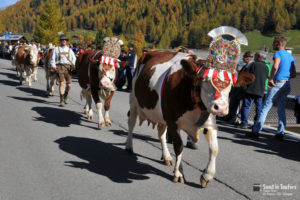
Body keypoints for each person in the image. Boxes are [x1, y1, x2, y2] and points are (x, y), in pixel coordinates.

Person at [251, 36, 295, 140]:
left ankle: (256, 131)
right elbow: (293, 73)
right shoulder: (290, 56)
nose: (272, 45)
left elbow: (275, 66)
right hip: (286, 84)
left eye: (274, 43)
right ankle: (280, 132)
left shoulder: (278, 53)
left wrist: (271, 79)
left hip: (277, 83)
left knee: (266, 107)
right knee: (281, 109)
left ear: (279, 43)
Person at [238, 51, 269, 130]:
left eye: (255, 56)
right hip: (260, 90)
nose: (253, 57)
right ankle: (256, 124)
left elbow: (247, 76)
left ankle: (244, 123)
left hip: (250, 89)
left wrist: (245, 86)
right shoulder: (266, 67)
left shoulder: (253, 65)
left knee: (246, 106)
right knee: (259, 108)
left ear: (258, 57)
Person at [225, 51, 253, 124]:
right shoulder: (246, 66)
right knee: (234, 101)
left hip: (243, 88)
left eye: (244, 57)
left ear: (248, 58)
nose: (243, 59)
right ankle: (231, 116)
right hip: (240, 87)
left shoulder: (250, 66)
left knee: (239, 103)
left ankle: (236, 117)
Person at [49, 34, 76, 107]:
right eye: (62, 40)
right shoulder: (56, 49)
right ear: (60, 41)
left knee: (69, 85)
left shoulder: (69, 50)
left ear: (66, 41)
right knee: (61, 83)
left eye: (65, 40)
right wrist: (54, 66)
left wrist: (73, 64)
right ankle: (61, 100)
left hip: (68, 68)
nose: (64, 41)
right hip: (60, 67)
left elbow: (74, 58)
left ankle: (65, 95)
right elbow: (52, 59)